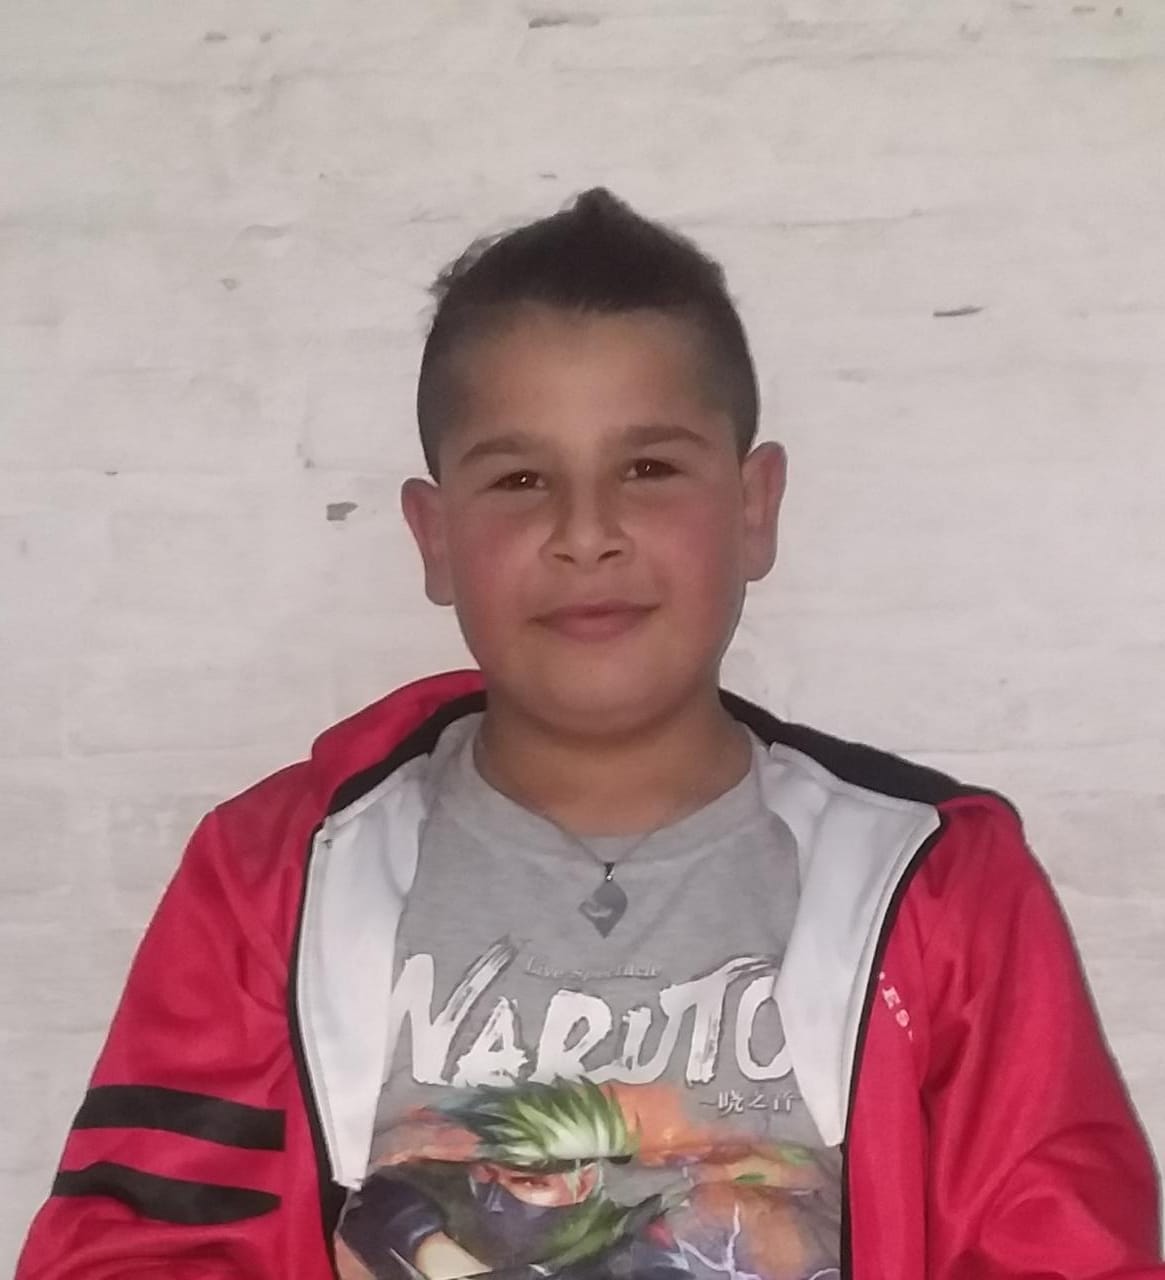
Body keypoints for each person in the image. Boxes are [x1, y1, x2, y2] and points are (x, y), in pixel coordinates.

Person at [16, 190, 1162, 1280]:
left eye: (648, 468)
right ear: (433, 537)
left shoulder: (936, 882)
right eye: (521, 478)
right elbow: (135, 1249)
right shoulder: (271, 878)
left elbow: (1064, 1246)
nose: (586, 531)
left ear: (753, 508)